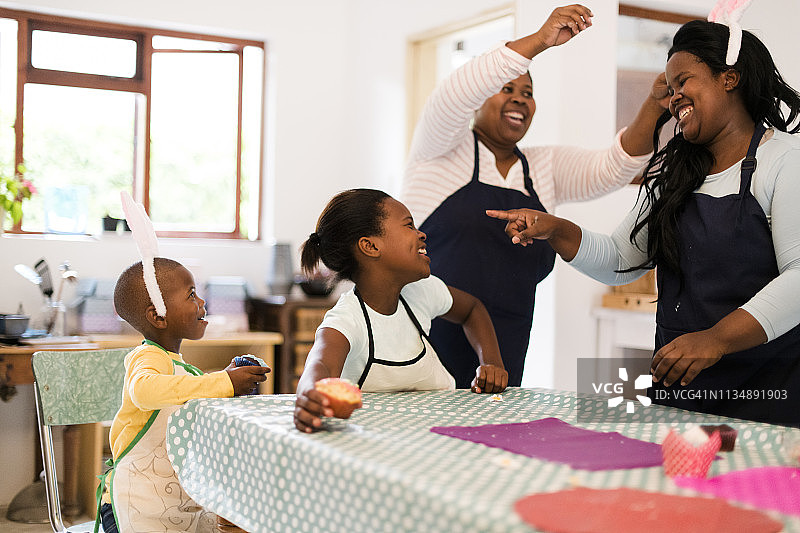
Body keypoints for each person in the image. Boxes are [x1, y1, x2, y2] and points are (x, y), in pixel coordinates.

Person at [487, 19, 800, 425]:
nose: (674, 99)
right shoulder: (675, 174)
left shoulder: (785, 161)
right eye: (669, 90)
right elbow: (622, 259)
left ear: (729, 78)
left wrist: (715, 340)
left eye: (683, 81)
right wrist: (557, 229)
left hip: (767, 391)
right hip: (681, 392)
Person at [401, 4, 670, 388]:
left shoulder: (545, 169)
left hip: (506, 355)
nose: (519, 99)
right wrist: (540, 41)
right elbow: (453, 94)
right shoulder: (439, 150)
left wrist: (654, 106)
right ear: (480, 99)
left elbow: (616, 165)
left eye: (528, 92)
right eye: (506, 88)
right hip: (425, 344)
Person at [294, 189, 508, 433]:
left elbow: (472, 309)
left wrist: (492, 363)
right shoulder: (348, 318)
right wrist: (310, 395)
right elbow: (319, 363)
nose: (422, 234)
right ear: (371, 246)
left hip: (444, 434)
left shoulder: (422, 291)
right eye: (409, 226)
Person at [98, 258, 270, 532]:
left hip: (169, 505)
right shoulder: (146, 356)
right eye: (191, 294)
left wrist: (227, 378)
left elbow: (190, 391)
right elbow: (144, 390)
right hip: (132, 504)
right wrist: (222, 381)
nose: (202, 302)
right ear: (158, 316)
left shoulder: (182, 368)